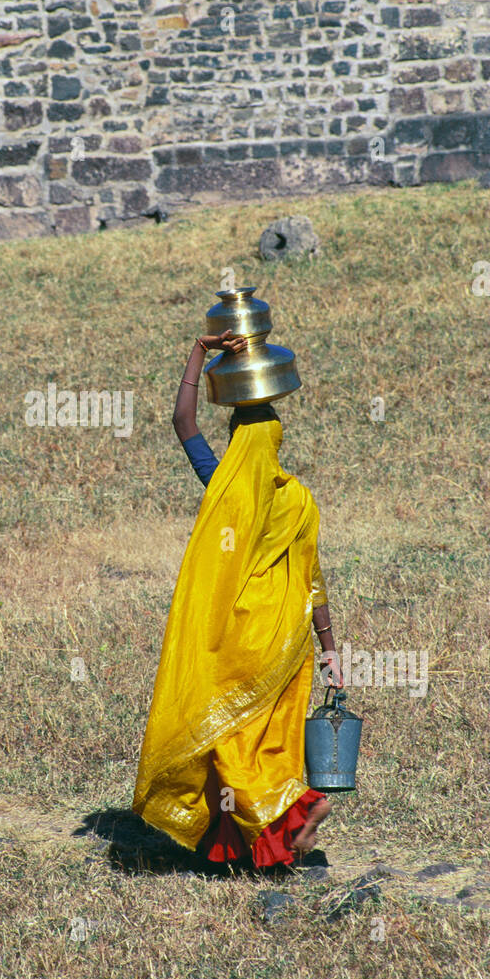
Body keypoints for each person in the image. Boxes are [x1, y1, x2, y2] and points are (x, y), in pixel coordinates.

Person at [133, 331, 341, 868]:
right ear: (276, 442)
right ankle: (260, 848)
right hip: (286, 640)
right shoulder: (298, 499)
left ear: (235, 442)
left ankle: (302, 805)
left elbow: (183, 423)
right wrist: (331, 648)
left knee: (229, 743)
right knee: (267, 740)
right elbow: (314, 578)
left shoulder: (221, 482)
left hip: (236, 641)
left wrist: (200, 352)